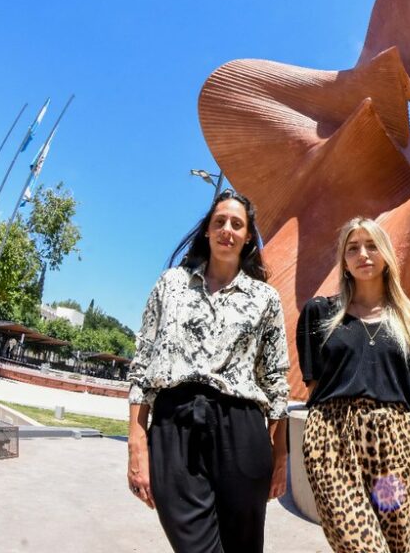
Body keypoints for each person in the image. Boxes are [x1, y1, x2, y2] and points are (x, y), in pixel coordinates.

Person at [126, 189, 290, 553]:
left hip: (242, 430)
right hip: (174, 426)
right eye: (219, 222)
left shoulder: (265, 299)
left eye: (237, 224)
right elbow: (142, 368)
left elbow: (277, 382)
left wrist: (281, 457)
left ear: (248, 236)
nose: (227, 230)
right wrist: (137, 445)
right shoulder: (170, 285)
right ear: (206, 230)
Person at [297, 216, 410, 553]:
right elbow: (314, 383)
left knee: (397, 540)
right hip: (332, 439)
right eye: (353, 248)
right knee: (359, 545)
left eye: (372, 245)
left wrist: (384, 421)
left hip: (394, 446)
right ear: (343, 261)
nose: (364, 254)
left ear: (386, 254)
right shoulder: (320, 313)